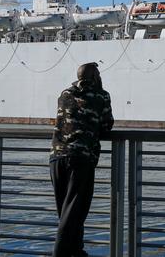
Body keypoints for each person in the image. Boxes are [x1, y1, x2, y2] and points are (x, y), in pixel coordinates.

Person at [50, 62, 114, 257]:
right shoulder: (101, 95)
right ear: (95, 77)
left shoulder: (65, 94)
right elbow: (106, 125)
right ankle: (59, 254)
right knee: (74, 211)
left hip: (56, 157)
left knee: (66, 211)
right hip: (81, 158)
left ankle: (76, 251)